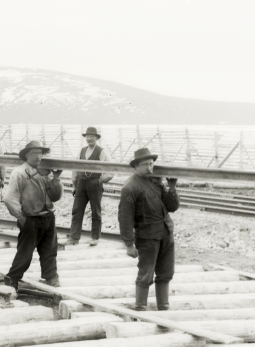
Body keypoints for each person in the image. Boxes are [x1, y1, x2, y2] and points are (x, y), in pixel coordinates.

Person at [118, 147, 180, 311]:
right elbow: (125, 217)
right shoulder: (130, 187)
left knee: (166, 272)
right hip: (147, 237)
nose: (149, 167)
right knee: (145, 273)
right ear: (136, 166)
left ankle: (163, 306)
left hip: (166, 233)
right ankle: (140, 307)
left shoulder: (156, 182)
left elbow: (172, 207)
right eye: (145, 164)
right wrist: (129, 244)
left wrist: (172, 188)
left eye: (151, 164)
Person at [3, 140, 63, 291]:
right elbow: (9, 198)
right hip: (30, 218)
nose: (38, 157)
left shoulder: (45, 173)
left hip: (48, 216)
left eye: (40, 153)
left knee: (50, 250)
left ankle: (51, 277)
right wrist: (20, 216)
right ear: (26, 155)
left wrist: (56, 179)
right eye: (34, 153)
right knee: (25, 252)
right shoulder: (20, 173)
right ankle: (12, 278)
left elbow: (55, 197)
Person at [68, 126, 114, 247]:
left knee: (95, 211)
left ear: (96, 138)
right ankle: (74, 237)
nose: (89, 139)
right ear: (85, 138)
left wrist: (102, 179)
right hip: (81, 184)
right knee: (77, 210)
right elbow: (75, 167)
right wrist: (74, 184)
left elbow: (112, 168)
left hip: (95, 183)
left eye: (92, 137)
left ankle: (95, 237)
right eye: (88, 137)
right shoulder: (82, 151)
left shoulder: (101, 151)